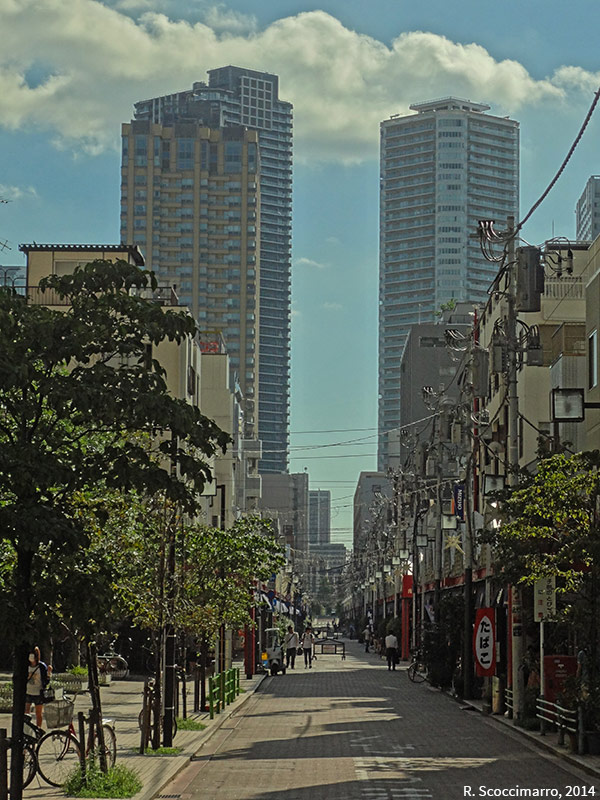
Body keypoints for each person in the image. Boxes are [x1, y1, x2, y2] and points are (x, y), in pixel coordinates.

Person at [26, 646, 52, 728]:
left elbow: (46, 681)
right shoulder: (25, 665)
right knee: (26, 713)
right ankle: (26, 728)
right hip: (27, 692)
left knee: (38, 713)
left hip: (38, 693)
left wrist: (49, 673)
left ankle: (38, 729)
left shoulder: (41, 666)